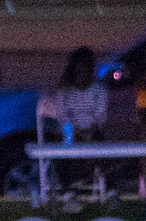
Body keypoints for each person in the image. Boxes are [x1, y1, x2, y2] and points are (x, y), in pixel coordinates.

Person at [40, 46, 109, 190]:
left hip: (92, 131)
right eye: (80, 69)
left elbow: (100, 116)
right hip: (69, 132)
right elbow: (63, 116)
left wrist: (89, 131)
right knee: (64, 148)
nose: (83, 73)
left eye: (87, 68)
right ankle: (68, 189)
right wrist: (74, 131)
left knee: (99, 147)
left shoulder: (99, 90)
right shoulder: (64, 91)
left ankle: (102, 185)